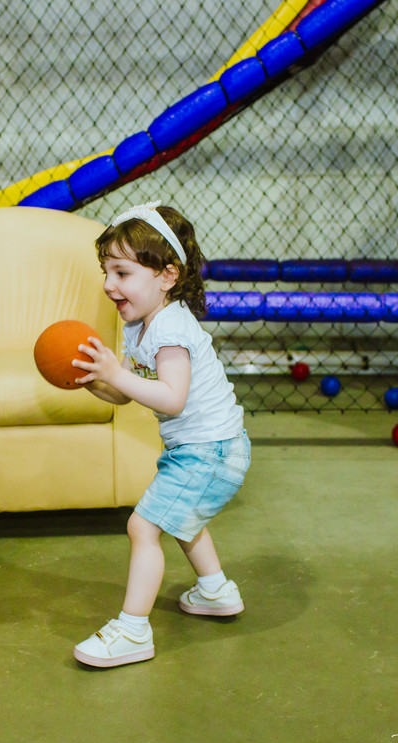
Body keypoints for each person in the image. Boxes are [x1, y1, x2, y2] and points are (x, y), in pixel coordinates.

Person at [70, 201, 250, 668]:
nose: (108, 284)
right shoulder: (139, 324)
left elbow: (171, 399)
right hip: (202, 449)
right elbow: (125, 393)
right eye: (106, 271)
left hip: (211, 451)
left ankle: (133, 630)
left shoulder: (171, 328)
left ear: (167, 276)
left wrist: (115, 372)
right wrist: (96, 381)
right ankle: (215, 591)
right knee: (182, 517)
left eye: (122, 273)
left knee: (143, 525)